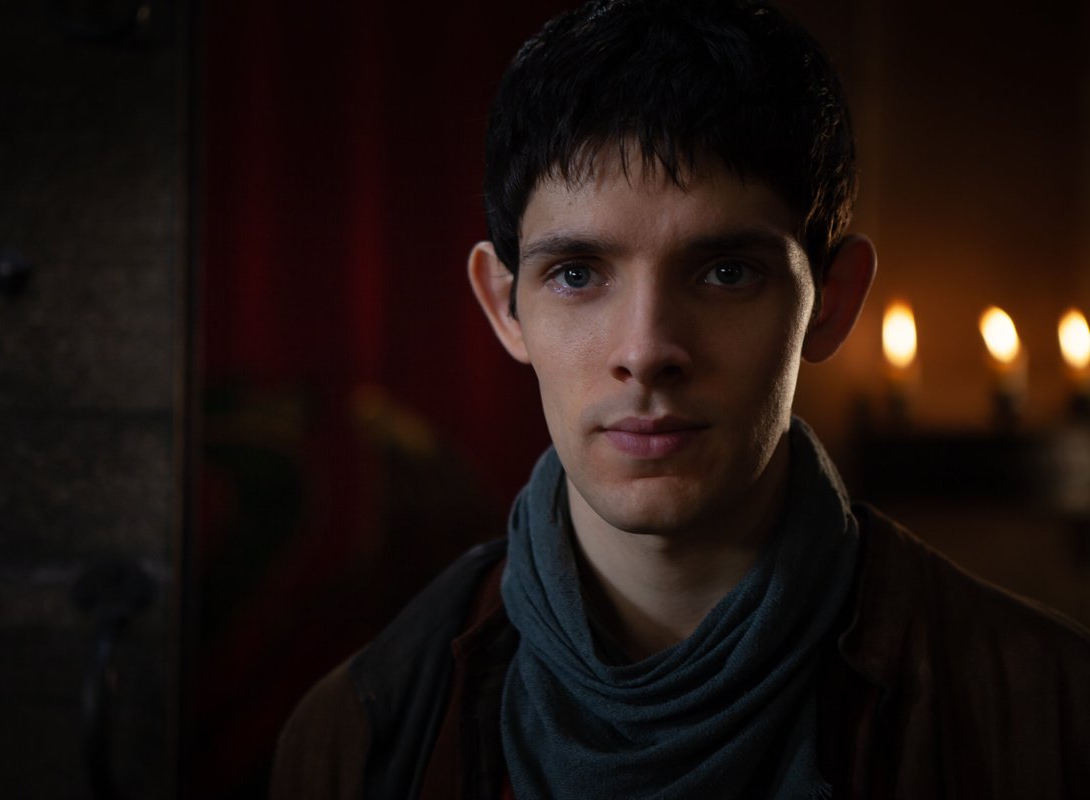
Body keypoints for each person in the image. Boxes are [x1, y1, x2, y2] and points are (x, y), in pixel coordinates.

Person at [271, 0, 1090, 796]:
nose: (646, 351)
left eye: (726, 272)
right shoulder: (360, 734)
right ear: (504, 306)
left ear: (831, 302)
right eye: (577, 274)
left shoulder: (1052, 713)